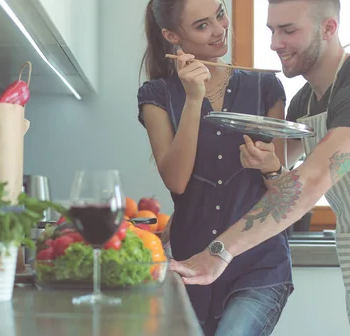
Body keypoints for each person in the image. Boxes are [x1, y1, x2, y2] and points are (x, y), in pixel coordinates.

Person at [169, 0, 350, 335]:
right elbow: (285, 185)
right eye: (271, 30)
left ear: (328, 29)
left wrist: (220, 251)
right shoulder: (305, 102)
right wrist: (268, 168)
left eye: (288, 30)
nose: (274, 43)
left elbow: (311, 182)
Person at [136, 0, 295, 334]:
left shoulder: (265, 88)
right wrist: (194, 99)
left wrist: (270, 166)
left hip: (260, 265)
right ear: (172, 35)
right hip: (192, 265)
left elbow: (283, 194)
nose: (220, 29)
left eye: (220, 14)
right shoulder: (157, 95)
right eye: (202, 25)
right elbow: (177, 182)